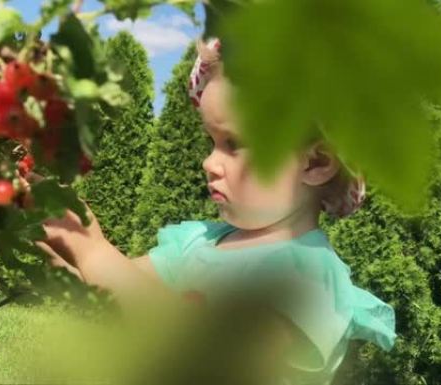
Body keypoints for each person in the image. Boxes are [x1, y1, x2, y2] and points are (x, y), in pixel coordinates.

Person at [30, 38, 396, 385]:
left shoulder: (310, 279)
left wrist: (94, 252)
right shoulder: (196, 244)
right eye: (212, 142)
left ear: (314, 162)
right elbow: (107, 296)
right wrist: (58, 237)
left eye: (234, 144)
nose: (209, 162)